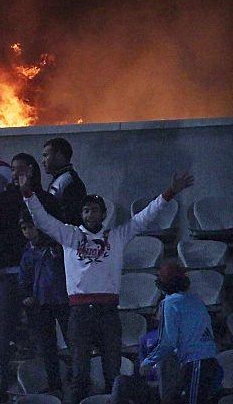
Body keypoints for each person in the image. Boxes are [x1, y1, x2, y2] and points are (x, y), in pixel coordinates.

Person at [22, 169, 195, 404]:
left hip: (108, 311)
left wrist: (170, 192)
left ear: (103, 214)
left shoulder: (117, 236)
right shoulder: (69, 235)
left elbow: (145, 217)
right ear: (80, 214)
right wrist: (27, 193)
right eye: (85, 210)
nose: (89, 214)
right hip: (80, 313)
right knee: (79, 374)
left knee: (113, 372)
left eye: (94, 209)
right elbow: (42, 220)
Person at [0, 152, 52, 398]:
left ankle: (49, 387)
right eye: (12, 169)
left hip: (43, 277)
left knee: (44, 334)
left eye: (19, 169)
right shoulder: (3, 201)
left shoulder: (46, 199)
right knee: (1, 335)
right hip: (10, 275)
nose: (14, 174)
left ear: (32, 171)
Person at [140, 261, 222, 404]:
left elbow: (168, 341)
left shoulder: (170, 303)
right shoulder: (195, 300)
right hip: (210, 362)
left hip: (196, 363)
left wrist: (147, 362)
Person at [19, 210, 70, 394]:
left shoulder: (55, 248)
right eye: (24, 228)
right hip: (41, 303)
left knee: (72, 341)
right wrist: (27, 294)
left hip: (62, 300)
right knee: (48, 346)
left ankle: (78, 379)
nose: (27, 232)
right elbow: (24, 277)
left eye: (30, 227)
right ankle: (54, 383)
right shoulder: (28, 252)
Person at [42, 137, 87, 225]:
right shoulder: (61, 179)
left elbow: (71, 218)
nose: (43, 161)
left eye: (46, 155)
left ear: (59, 155)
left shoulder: (70, 182)